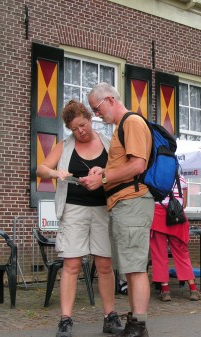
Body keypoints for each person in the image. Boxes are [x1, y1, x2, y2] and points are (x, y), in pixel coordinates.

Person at [36, 100, 122, 337]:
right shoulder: (65, 146)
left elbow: (121, 170)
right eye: (75, 128)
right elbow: (41, 168)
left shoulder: (109, 142)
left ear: (90, 119)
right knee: (72, 264)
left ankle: (110, 316)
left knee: (105, 265)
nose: (80, 131)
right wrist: (55, 172)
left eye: (82, 125)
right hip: (73, 209)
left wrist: (103, 173)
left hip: (103, 210)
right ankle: (65, 320)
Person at [80, 83, 154, 337]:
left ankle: (139, 325)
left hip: (131, 202)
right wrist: (105, 172)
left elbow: (137, 166)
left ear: (110, 100)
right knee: (130, 268)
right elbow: (125, 166)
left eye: (96, 108)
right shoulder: (122, 127)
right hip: (124, 203)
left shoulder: (131, 122)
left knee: (135, 267)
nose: (96, 115)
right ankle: (136, 322)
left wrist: (102, 179)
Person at [150, 174, 201, 302]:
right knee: (182, 254)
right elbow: (183, 204)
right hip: (177, 217)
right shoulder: (181, 178)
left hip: (158, 215)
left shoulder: (153, 176)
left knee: (159, 255)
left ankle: (165, 291)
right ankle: (193, 289)